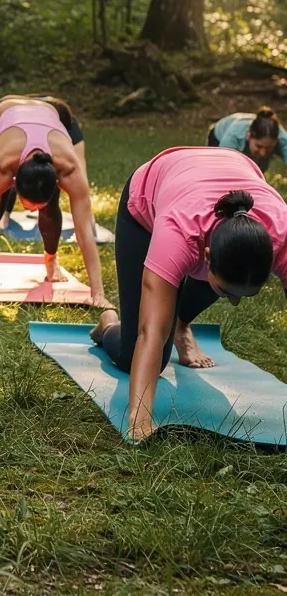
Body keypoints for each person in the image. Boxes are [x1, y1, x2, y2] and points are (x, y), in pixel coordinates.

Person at [88, 147, 287, 441]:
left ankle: (181, 326)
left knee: (219, 285)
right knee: (133, 355)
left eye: (248, 294)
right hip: (149, 196)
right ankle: (109, 323)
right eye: (228, 292)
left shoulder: (282, 236)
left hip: (226, 169)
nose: (235, 303)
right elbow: (151, 334)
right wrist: (140, 419)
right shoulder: (178, 233)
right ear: (206, 256)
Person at [0, 95, 108, 304]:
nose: (30, 211)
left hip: (46, 115)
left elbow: (85, 233)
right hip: (3, 111)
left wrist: (99, 296)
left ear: (58, 181)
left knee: (51, 210)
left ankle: (51, 260)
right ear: (13, 181)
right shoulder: (2, 166)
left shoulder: (69, 169)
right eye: (27, 204)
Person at [207, 108, 287, 174]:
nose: (263, 153)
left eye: (269, 147)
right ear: (249, 136)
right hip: (219, 134)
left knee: (257, 170)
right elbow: (223, 169)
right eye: (259, 146)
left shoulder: (283, 140)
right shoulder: (233, 137)